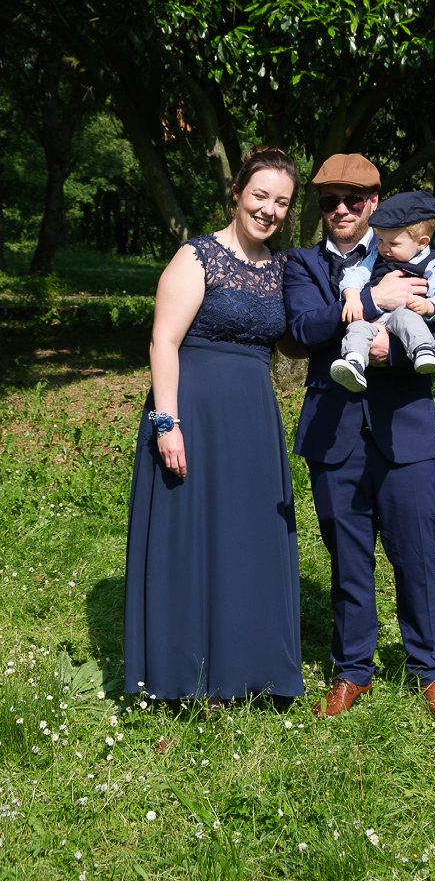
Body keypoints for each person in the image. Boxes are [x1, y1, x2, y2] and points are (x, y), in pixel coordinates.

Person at [284, 153, 435, 720]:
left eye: (353, 200)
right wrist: (372, 301)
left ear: (373, 203)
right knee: (348, 560)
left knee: (416, 556)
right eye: (329, 201)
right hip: (333, 436)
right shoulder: (303, 263)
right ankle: (352, 672)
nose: (340, 209)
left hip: (405, 433)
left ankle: (430, 672)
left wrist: (394, 354)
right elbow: (302, 329)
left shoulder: (413, 256)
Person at [124, 146, 305, 706]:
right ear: (237, 193)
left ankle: (248, 669)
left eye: (281, 202)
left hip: (252, 422)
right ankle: (183, 673)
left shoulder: (282, 269)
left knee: (247, 539)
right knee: (192, 539)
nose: (269, 210)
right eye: (260, 195)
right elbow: (163, 341)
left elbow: (298, 338)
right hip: (192, 416)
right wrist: (166, 423)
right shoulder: (197, 256)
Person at [331, 189, 435, 391]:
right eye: (380, 240)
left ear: (422, 243)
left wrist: (430, 306)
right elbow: (355, 273)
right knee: (357, 327)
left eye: (393, 243)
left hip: (406, 314)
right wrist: (352, 296)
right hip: (374, 319)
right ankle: (354, 363)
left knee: (407, 317)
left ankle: (423, 351)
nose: (384, 248)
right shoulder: (376, 255)